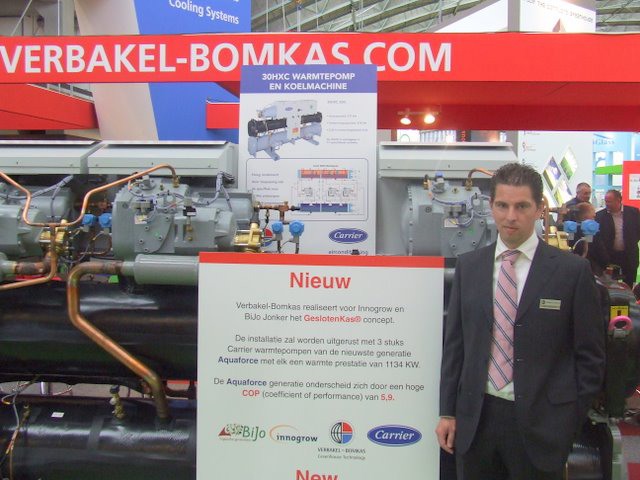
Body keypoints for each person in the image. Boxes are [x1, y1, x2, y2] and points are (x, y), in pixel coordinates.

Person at [436, 163, 605, 480]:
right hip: (477, 422)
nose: (510, 216)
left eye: (522, 206)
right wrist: (447, 411)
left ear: (540, 208)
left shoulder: (571, 272)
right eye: (502, 205)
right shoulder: (470, 266)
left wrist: (568, 422)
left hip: (542, 428)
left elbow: (590, 357)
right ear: (491, 206)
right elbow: (455, 348)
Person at [595, 189, 640, 288]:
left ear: (619, 200)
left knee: (629, 284)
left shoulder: (633, 212)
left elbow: (637, 231)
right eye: (606, 201)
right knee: (610, 285)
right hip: (610, 256)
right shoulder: (600, 216)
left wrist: (631, 242)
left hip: (629, 255)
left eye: (609, 201)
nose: (607, 204)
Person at [568, 202, 609, 276]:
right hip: (592, 269)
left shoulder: (570, 230)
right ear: (586, 217)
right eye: (593, 217)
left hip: (573, 268)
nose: (594, 220)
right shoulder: (593, 232)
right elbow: (602, 254)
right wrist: (605, 265)